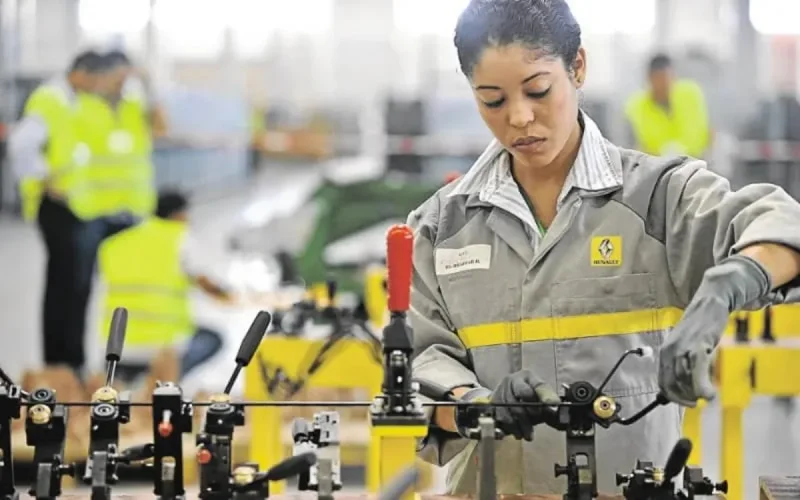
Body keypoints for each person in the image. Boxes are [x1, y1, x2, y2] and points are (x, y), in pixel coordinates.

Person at [409, 0, 800, 495]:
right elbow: (418, 371)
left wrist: (729, 283)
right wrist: (475, 406)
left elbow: (781, 223)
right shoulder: (440, 227)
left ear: (577, 67)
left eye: (537, 90)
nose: (519, 117)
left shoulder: (657, 199)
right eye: (493, 101)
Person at [7, 50, 108, 375]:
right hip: (57, 209)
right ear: (81, 73)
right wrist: (45, 178)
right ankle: (58, 363)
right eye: (97, 78)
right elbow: (20, 145)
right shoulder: (50, 98)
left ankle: (72, 362)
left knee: (77, 287)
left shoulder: (75, 100)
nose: (99, 86)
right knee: (63, 288)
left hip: (78, 208)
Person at [97, 190, 229, 382]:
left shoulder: (115, 243)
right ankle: (166, 382)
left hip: (115, 348)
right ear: (178, 214)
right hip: (162, 350)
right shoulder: (180, 238)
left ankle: (134, 380)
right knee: (211, 339)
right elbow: (207, 284)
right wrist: (231, 295)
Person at [625, 53, 712, 158]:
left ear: (674, 76)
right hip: (658, 163)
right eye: (658, 79)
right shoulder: (636, 106)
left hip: (698, 157)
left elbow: (704, 132)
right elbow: (638, 144)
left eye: (666, 78)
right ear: (649, 79)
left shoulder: (690, 93)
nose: (663, 84)